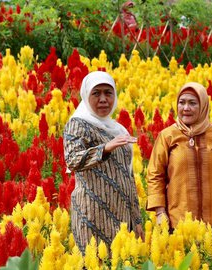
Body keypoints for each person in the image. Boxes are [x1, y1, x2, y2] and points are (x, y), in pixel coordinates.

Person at [146, 82, 212, 234]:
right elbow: (155, 175)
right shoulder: (167, 136)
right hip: (179, 220)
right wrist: (160, 212)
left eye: (192, 103)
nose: (186, 108)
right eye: (181, 102)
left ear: (203, 105)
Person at [63, 71, 143, 254]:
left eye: (108, 93)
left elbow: (128, 177)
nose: (103, 99)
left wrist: (137, 220)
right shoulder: (78, 124)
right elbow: (72, 159)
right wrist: (104, 149)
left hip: (122, 217)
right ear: (86, 95)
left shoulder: (118, 129)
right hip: (92, 216)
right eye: (96, 93)